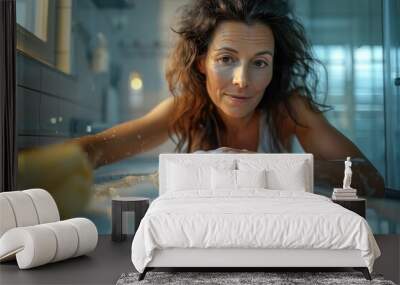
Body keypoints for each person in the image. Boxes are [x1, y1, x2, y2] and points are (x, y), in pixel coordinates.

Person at [18, 0, 384, 217]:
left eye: (259, 63)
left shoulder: (288, 111)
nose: (242, 80)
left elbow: (370, 180)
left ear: (275, 68)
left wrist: (259, 166)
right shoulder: (186, 109)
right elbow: (98, 149)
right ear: (201, 63)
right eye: (227, 59)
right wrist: (20, 171)